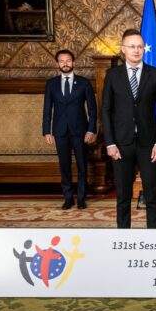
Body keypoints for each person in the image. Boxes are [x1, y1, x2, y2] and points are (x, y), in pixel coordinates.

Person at [102, 29, 156, 228]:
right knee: (123, 196)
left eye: (140, 46)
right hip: (121, 144)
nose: (137, 50)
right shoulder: (112, 75)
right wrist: (110, 143)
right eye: (132, 46)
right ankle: (124, 237)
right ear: (123, 49)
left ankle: (154, 238)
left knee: (152, 195)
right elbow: (106, 110)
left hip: (149, 144)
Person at [42, 50, 96, 210]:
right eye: (61, 61)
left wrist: (91, 130)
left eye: (68, 61)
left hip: (80, 131)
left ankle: (81, 199)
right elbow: (47, 109)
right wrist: (46, 131)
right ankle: (68, 198)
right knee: (64, 165)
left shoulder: (84, 83)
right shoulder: (51, 84)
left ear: (74, 62)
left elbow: (92, 109)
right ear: (57, 64)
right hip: (60, 131)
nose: (65, 64)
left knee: (82, 165)